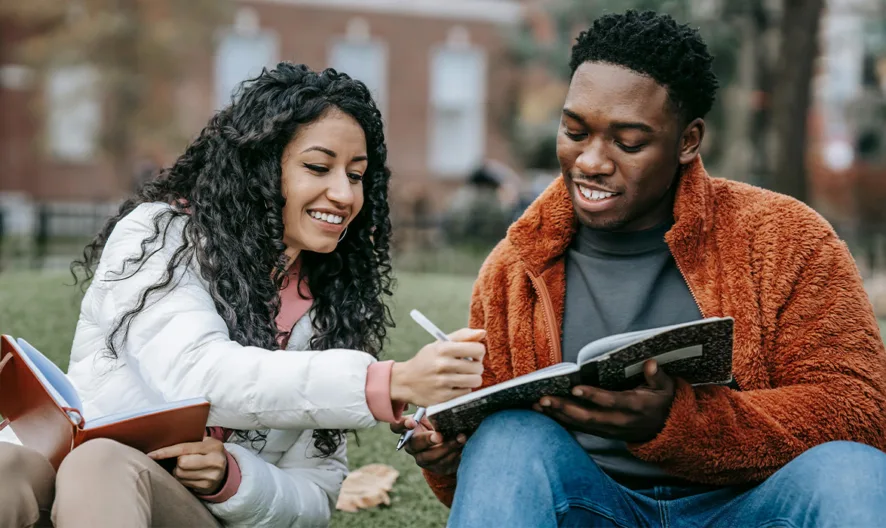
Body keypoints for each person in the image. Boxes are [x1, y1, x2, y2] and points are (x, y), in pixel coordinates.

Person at [394, 10, 886, 527]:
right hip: (593, 506)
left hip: (749, 508)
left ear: (688, 141)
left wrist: (680, 424)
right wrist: (445, 453)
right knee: (506, 438)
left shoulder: (785, 239)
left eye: (628, 142)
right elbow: (502, 480)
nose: (591, 161)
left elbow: (858, 410)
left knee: (854, 472)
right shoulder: (516, 267)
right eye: (574, 130)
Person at [0, 63, 485, 528]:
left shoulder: (334, 305)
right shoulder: (160, 237)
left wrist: (233, 479)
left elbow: (315, 494)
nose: (344, 193)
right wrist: (387, 383)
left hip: (177, 508)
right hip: (65, 475)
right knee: (9, 466)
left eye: (356, 175)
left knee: (101, 462)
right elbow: (199, 374)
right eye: (318, 167)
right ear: (258, 167)